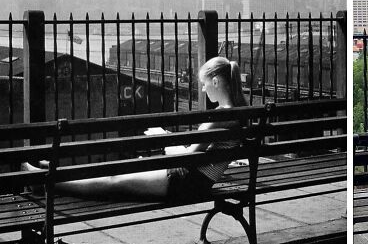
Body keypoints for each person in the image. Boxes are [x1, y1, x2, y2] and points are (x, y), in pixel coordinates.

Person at [22, 57, 248, 202]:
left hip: (185, 183)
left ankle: (48, 180)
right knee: (113, 176)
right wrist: (171, 140)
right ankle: (52, 173)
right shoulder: (237, 112)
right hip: (196, 182)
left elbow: (188, 159)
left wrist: (165, 142)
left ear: (216, 82)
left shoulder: (220, 116)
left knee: (113, 180)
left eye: (204, 83)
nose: (203, 89)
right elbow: (202, 155)